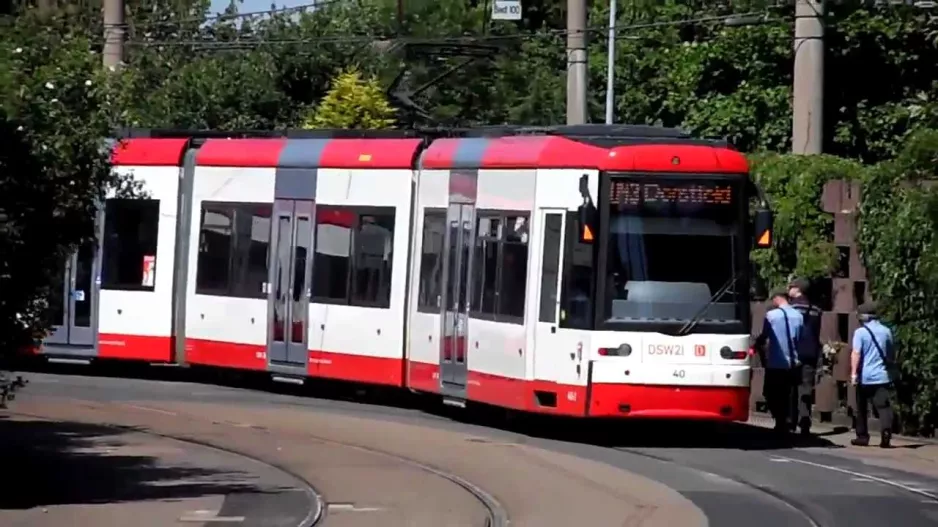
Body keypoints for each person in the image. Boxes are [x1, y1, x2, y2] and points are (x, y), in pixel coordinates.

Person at [754, 288, 804, 433]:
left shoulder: (771, 316)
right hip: (794, 363)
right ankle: (790, 421)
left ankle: (780, 420)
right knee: (791, 394)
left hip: (776, 362)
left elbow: (764, 336)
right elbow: (800, 338)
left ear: (777, 298)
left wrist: (757, 345)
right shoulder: (798, 316)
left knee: (772, 392)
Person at [850, 301, 896, 448]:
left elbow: (856, 353)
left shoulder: (860, 333)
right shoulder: (886, 331)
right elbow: (890, 353)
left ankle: (862, 436)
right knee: (883, 406)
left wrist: (853, 374)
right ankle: (886, 430)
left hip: (865, 376)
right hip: (882, 375)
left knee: (862, 406)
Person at [787, 278, 823, 435]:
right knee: (805, 389)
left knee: (791, 388)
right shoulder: (816, 309)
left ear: (798, 289)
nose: (789, 290)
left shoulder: (792, 308)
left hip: (794, 352)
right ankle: (805, 421)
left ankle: (791, 421)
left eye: (791, 287)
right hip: (811, 352)